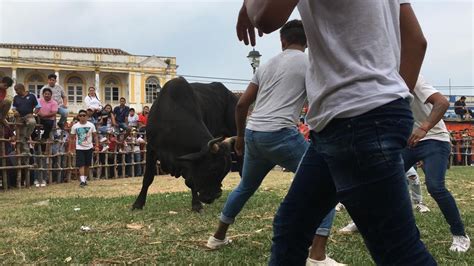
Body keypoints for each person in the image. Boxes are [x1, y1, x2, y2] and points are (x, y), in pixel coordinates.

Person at [235, 1, 435, 265]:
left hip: (353, 118)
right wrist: (389, 99)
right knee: (291, 227)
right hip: (350, 121)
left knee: (398, 251)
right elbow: (416, 41)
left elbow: (267, 18)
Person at [206, 20, 340, 265]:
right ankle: (317, 256)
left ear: (283, 41)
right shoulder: (310, 63)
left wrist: (241, 138)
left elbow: (241, 105)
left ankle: (217, 237)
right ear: (307, 41)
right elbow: (318, 101)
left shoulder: (265, 65)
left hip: (255, 133)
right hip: (281, 133)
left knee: (246, 186)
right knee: (325, 182)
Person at [402, 75, 470, 252]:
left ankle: (460, 234)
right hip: (409, 142)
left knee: (435, 186)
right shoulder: (380, 84)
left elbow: (442, 102)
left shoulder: (412, 77)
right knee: (380, 180)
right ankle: (363, 222)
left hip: (434, 138)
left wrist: (424, 127)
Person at [69, 109, 99, 187]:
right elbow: (71, 138)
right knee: (81, 164)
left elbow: (95, 136)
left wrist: (97, 146)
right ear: (78, 117)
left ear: (87, 116)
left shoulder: (91, 125)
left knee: (87, 165)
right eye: (80, 115)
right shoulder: (75, 126)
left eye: (84, 115)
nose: (82, 117)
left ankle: (84, 179)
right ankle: (82, 181)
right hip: (79, 148)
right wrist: (70, 148)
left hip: (89, 147)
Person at [12, 83, 40, 154]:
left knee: (32, 122)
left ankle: (27, 136)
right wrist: (15, 111)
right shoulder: (16, 97)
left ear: (22, 89)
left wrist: (34, 114)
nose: (16, 92)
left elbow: (38, 106)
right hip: (19, 117)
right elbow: (14, 107)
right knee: (21, 135)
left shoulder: (32, 96)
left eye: (17, 90)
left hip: (28, 115)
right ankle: (25, 152)